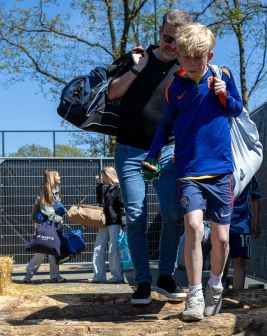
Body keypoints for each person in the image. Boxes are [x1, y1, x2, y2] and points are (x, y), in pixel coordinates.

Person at [143, 23, 243, 321]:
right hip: (188, 170)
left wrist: (224, 95)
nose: (191, 63)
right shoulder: (174, 87)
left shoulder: (223, 75)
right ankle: (195, 293)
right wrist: (152, 154)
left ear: (208, 55)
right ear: (179, 56)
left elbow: (236, 109)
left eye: (198, 58)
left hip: (220, 170)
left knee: (221, 239)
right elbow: (165, 125)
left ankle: (215, 285)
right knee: (194, 227)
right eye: (186, 57)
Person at [107, 9, 192, 305]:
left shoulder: (186, 66)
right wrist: (137, 69)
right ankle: (142, 281)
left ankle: (165, 276)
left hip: (166, 152)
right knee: (136, 216)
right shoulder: (138, 58)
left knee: (174, 214)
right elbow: (112, 93)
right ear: (160, 32)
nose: (171, 46)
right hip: (131, 152)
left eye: (178, 41)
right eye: (167, 38)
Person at [23, 170, 67, 283]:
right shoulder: (46, 191)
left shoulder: (55, 190)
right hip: (44, 224)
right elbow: (48, 212)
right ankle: (30, 273)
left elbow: (56, 208)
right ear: (52, 178)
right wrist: (60, 219)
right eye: (57, 175)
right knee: (43, 249)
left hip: (51, 223)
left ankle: (54, 276)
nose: (60, 177)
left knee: (52, 248)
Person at [90, 166, 126, 283]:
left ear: (109, 175)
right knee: (98, 248)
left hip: (114, 222)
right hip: (105, 222)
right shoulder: (108, 189)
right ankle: (99, 276)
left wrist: (123, 223)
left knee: (113, 249)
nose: (102, 178)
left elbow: (122, 207)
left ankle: (117, 277)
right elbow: (100, 201)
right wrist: (98, 185)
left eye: (103, 176)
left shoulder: (118, 189)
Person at [228, 177, 261, 289]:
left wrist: (256, 222)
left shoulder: (248, 169)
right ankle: (217, 294)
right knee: (221, 262)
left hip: (241, 224)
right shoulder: (219, 166)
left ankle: (237, 295)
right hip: (221, 222)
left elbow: (255, 196)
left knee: (240, 261)